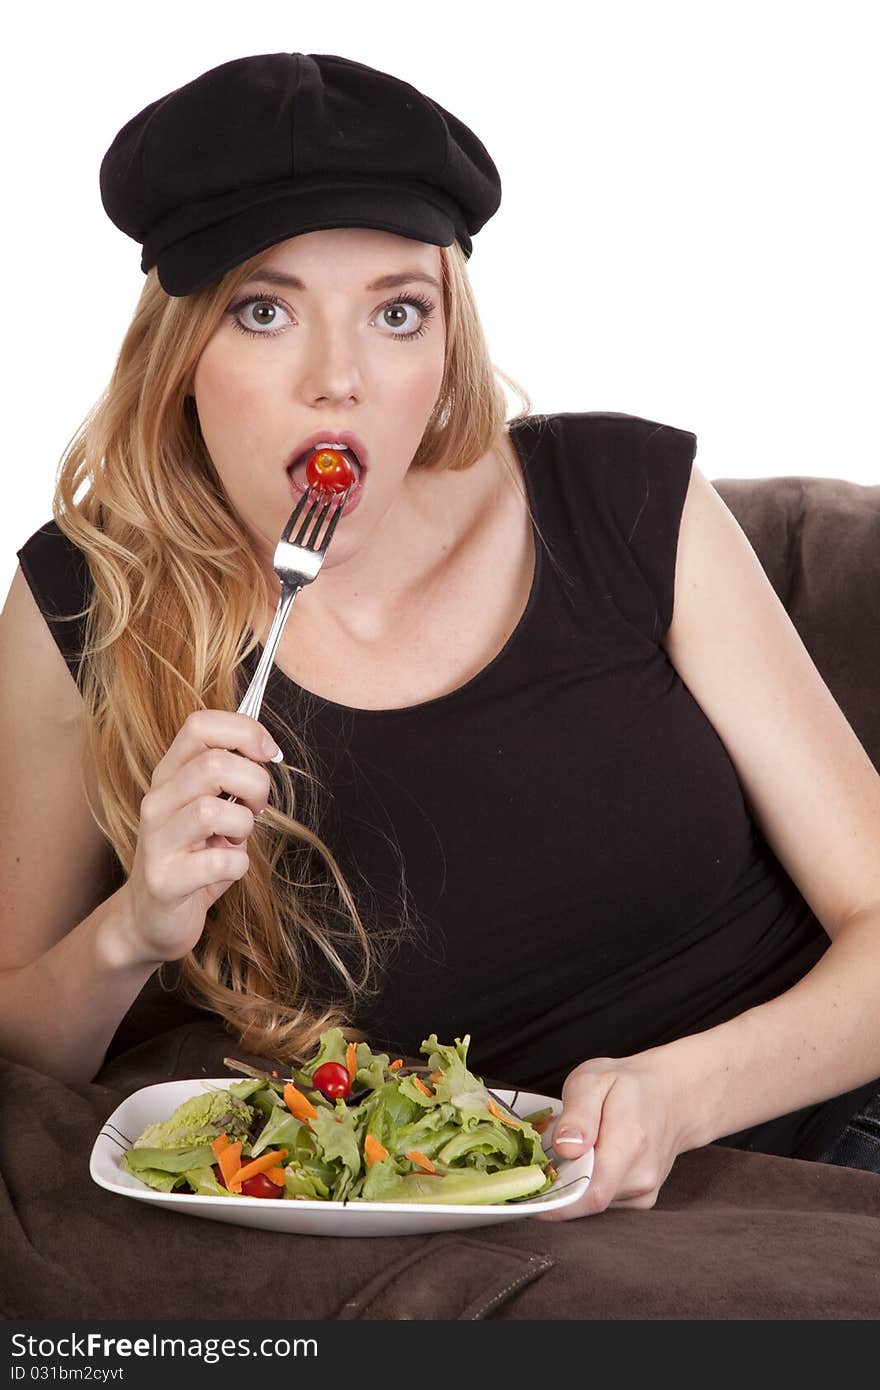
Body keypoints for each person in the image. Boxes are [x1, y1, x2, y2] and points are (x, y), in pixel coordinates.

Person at [2, 51, 879, 1222]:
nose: (341, 382)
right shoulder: (85, 601)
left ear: (444, 339)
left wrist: (678, 1093)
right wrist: (131, 931)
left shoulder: (623, 500)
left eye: (396, 313)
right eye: (265, 311)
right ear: (180, 355)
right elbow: (22, 1050)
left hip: (828, 1150)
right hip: (501, 1233)